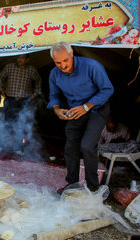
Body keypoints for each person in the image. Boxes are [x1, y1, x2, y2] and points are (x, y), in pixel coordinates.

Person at [47, 42, 114, 192]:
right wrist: (57, 109)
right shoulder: (54, 74)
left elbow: (107, 89)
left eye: (65, 60)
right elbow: (54, 96)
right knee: (70, 147)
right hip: (76, 109)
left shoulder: (91, 66)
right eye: (58, 62)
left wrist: (87, 106)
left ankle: (92, 186)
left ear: (72, 55)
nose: (63, 65)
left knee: (87, 146)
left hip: (97, 108)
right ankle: (72, 185)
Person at [0, 54, 42, 152]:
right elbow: (0, 77)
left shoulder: (32, 70)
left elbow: (38, 81)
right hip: (10, 99)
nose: (19, 59)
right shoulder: (9, 67)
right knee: (7, 122)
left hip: (24, 101)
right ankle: (2, 145)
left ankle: (19, 148)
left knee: (21, 123)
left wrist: (35, 93)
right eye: (18, 57)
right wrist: (1, 89)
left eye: (22, 58)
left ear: (27, 60)